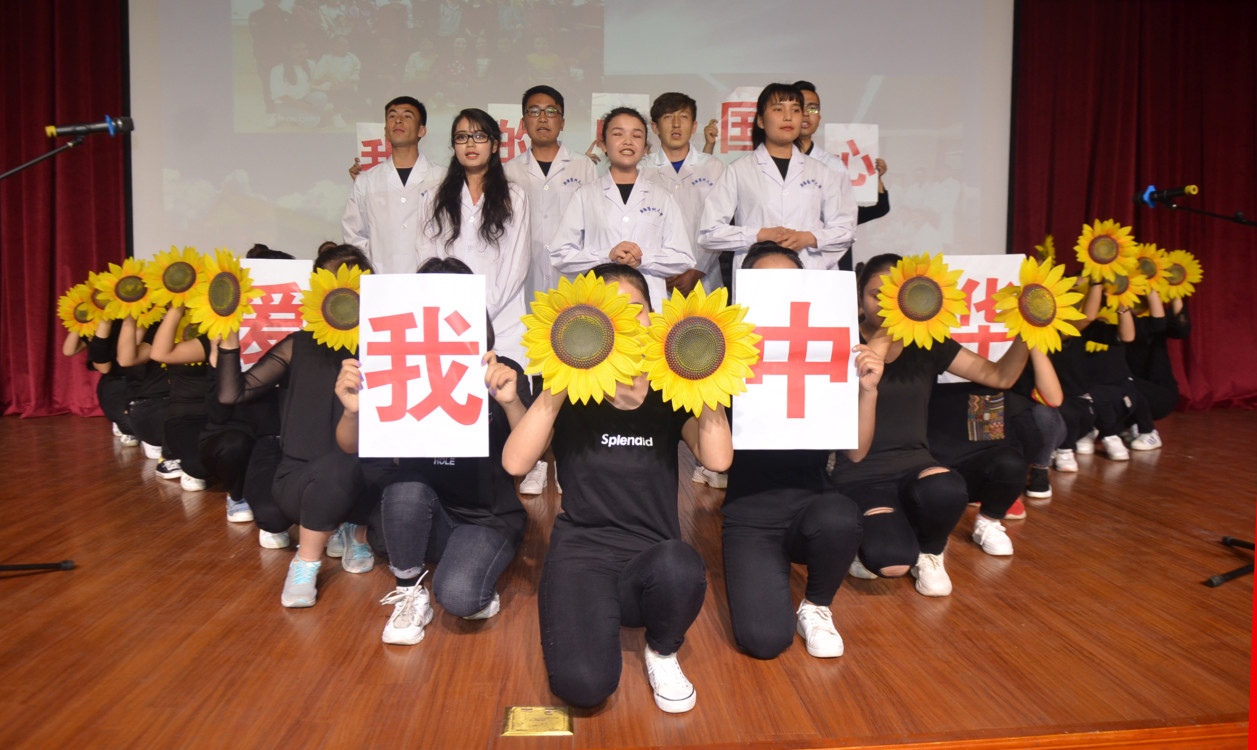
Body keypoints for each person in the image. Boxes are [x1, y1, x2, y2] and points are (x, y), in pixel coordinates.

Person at [502, 264, 732, 714]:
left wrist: (706, 379)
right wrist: (561, 379)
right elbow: (515, 462)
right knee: (584, 687)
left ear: (653, 316)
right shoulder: (569, 391)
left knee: (681, 564)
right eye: (611, 312)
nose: (626, 321)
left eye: (636, 309)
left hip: (652, 560)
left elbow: (719, 460)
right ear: (588, 321)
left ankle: (661, 650)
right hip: (581, 556)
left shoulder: (670, 388)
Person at [335, 257, 533, 644]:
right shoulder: (389, 366)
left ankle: (464, 570)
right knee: (404, 490)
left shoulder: (503, 370)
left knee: (461, 598)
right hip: (424, 512)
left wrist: (509, 403)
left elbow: (528, 461)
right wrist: (351, 410)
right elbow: (349, 445)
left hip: (486, 518)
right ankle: (409, 590)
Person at [832, 254, 1031, 596]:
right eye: (877, 295)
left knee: (948, 488)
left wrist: (1029, 332)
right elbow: (871, 362)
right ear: (859, 299)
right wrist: (891, 323)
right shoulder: (841, 341)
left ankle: (931, 552)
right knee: (890, 560)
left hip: (916, 465)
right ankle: (873, 535)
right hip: (858, 472)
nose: (886, 303)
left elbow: (1000, 376)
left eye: (895, 295)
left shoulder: (928, 342)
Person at [722, 243, 880, 660]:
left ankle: (817, 605)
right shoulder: (724, 352)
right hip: (749, 515)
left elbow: (856, 454)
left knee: (840, 516)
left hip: (813, 504)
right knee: (763, 641)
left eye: (789, 281)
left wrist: (867, 390)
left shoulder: (830, 344)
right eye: (766, 283)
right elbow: (713, 458)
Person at [218, 245, 391, 608]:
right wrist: (229, 341)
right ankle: (306, 561)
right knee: (330, 470)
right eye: (332, 283)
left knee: (373, 469)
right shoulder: (299, 345)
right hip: (301, 480)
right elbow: (234, 393)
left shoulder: (385, 348)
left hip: (366, 480)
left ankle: (354, 531)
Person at [698, 83, 856, 290]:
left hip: (809, 278)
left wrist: (808, 238)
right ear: (761, 121)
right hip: (756, 279)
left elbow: (845, 230)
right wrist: (759, 235)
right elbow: (709, 234)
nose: (788, 117)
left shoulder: (821, 171)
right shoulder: (739, 170)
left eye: (795, 110)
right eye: (778, 109)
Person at [548, 107, 695, 313]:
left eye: (636, 135)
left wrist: (642, 258)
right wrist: (606, 255)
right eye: (618, 134)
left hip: (649, 307)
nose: (628, 141)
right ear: (603, 144)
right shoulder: (585, 195)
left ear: (645, 148)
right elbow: (560, 255)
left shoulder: (662, 197)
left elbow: (683, 258)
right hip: (600, 306)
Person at [416, 108, 531, 365]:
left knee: (506, 385)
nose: (470, 144)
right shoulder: (433, 197)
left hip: (502, 323)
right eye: (462, 137)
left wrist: (479, 312)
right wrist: (454, 311)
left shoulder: (514, 196)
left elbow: (517, 265)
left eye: (479, 136)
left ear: (494, 145)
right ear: (454, 146)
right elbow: (427, 259)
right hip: (448, 319)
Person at [342, 96, 446, 274]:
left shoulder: (442, 177)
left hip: (430, 278)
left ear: (422, 130)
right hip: (381, 278)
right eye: (392, 116)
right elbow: (354, 235)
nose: (398, 120)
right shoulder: (366, 181)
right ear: (385, 130)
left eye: (407, 116)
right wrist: (372, 269)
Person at [639, 92, 726, 296]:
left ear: (694, 126)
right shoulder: (640, 169)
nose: (676, 124)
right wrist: (661, 269)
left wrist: (697, 269)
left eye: (683, 117)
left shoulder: (714, 167)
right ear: (655, 127)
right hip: (656, 279)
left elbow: (720, 225)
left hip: (705, 279)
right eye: (668, 117)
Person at [1122, 289, 1189, 450]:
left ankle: (1148, 431)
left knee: (1120, 381)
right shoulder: (1115, 314)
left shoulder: (1155, 322)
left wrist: (1173, 290)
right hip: (1126, 393)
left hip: (1158, 394)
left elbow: (1178, 329)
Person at [269, 40, 334, 128]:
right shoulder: (277, 69)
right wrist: (304, 107)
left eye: (304, 49)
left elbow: (316, 82)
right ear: (288, 51)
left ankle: (302, 117)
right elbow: (281, 96)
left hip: (305, 99)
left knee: (321, 97)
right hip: (286, 104)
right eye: (297, 50)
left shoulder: (310, 63)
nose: (302, 53)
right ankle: (284, 117)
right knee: (311, 121)